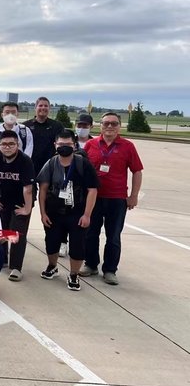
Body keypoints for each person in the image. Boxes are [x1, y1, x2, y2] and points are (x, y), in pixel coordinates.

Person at [81, 113, 144, 285]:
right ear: (100, 126)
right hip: (94, 198)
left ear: (119, 126)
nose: (110, 126)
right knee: (90, 233)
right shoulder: (90, 145)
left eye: (114, 123)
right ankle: (91, 264)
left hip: (117, 198)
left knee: (113, 236)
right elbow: (81, 169)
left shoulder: (127, 146)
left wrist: (134, 195)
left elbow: (137, 171)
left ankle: (110, 270)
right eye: (106, 123)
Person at [37, 131, 99, 291]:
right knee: (51, 242)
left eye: (68, 145)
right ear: (55, 145)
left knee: (77, 245)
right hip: (54, 212)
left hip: (77, 213)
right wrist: (43, 213)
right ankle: (52, 266)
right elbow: (42, 189)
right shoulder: (51, 163)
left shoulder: (82, 164)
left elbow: (92, 190)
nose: (64, 147)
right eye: (61, 145)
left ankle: (73, 274)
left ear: (75, 145)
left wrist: (87, 215)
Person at [0, 130, 35, 281]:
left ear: (17, 145)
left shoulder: (25, 161)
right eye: (4, 144)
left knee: (17, 233)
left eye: (11, 144)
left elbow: (28, 188)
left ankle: (16, 267)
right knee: (2, 230)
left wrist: (27, 208)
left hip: (23, 199)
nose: (7, 147)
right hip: (4, 197)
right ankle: (2, 260)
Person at [24, 97, 64, 176]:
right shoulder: (25, 126)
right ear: (35, 108)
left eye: (46, 106)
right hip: (30, 166)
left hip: (50, 166)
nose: (43, 108)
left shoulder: (57, 126)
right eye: (40, 105)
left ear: (49, 108)